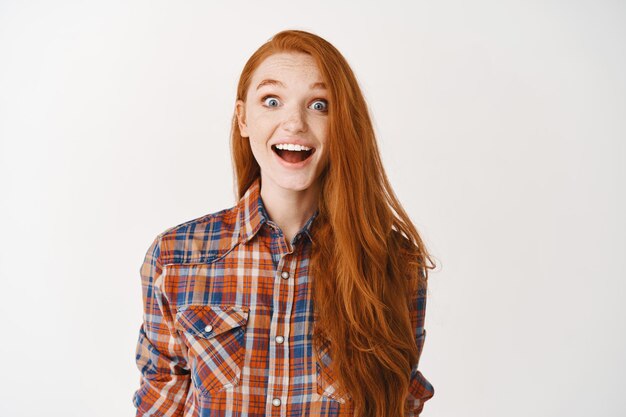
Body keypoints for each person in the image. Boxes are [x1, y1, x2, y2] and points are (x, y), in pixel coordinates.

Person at [132, 29, 436, 417]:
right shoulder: (176, 257)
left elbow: (400, 404)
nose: (294, 123)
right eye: (271, 101)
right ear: (243, 118)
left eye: (319, 105)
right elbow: (161, 402)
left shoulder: (392, 261)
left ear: (343, 124)